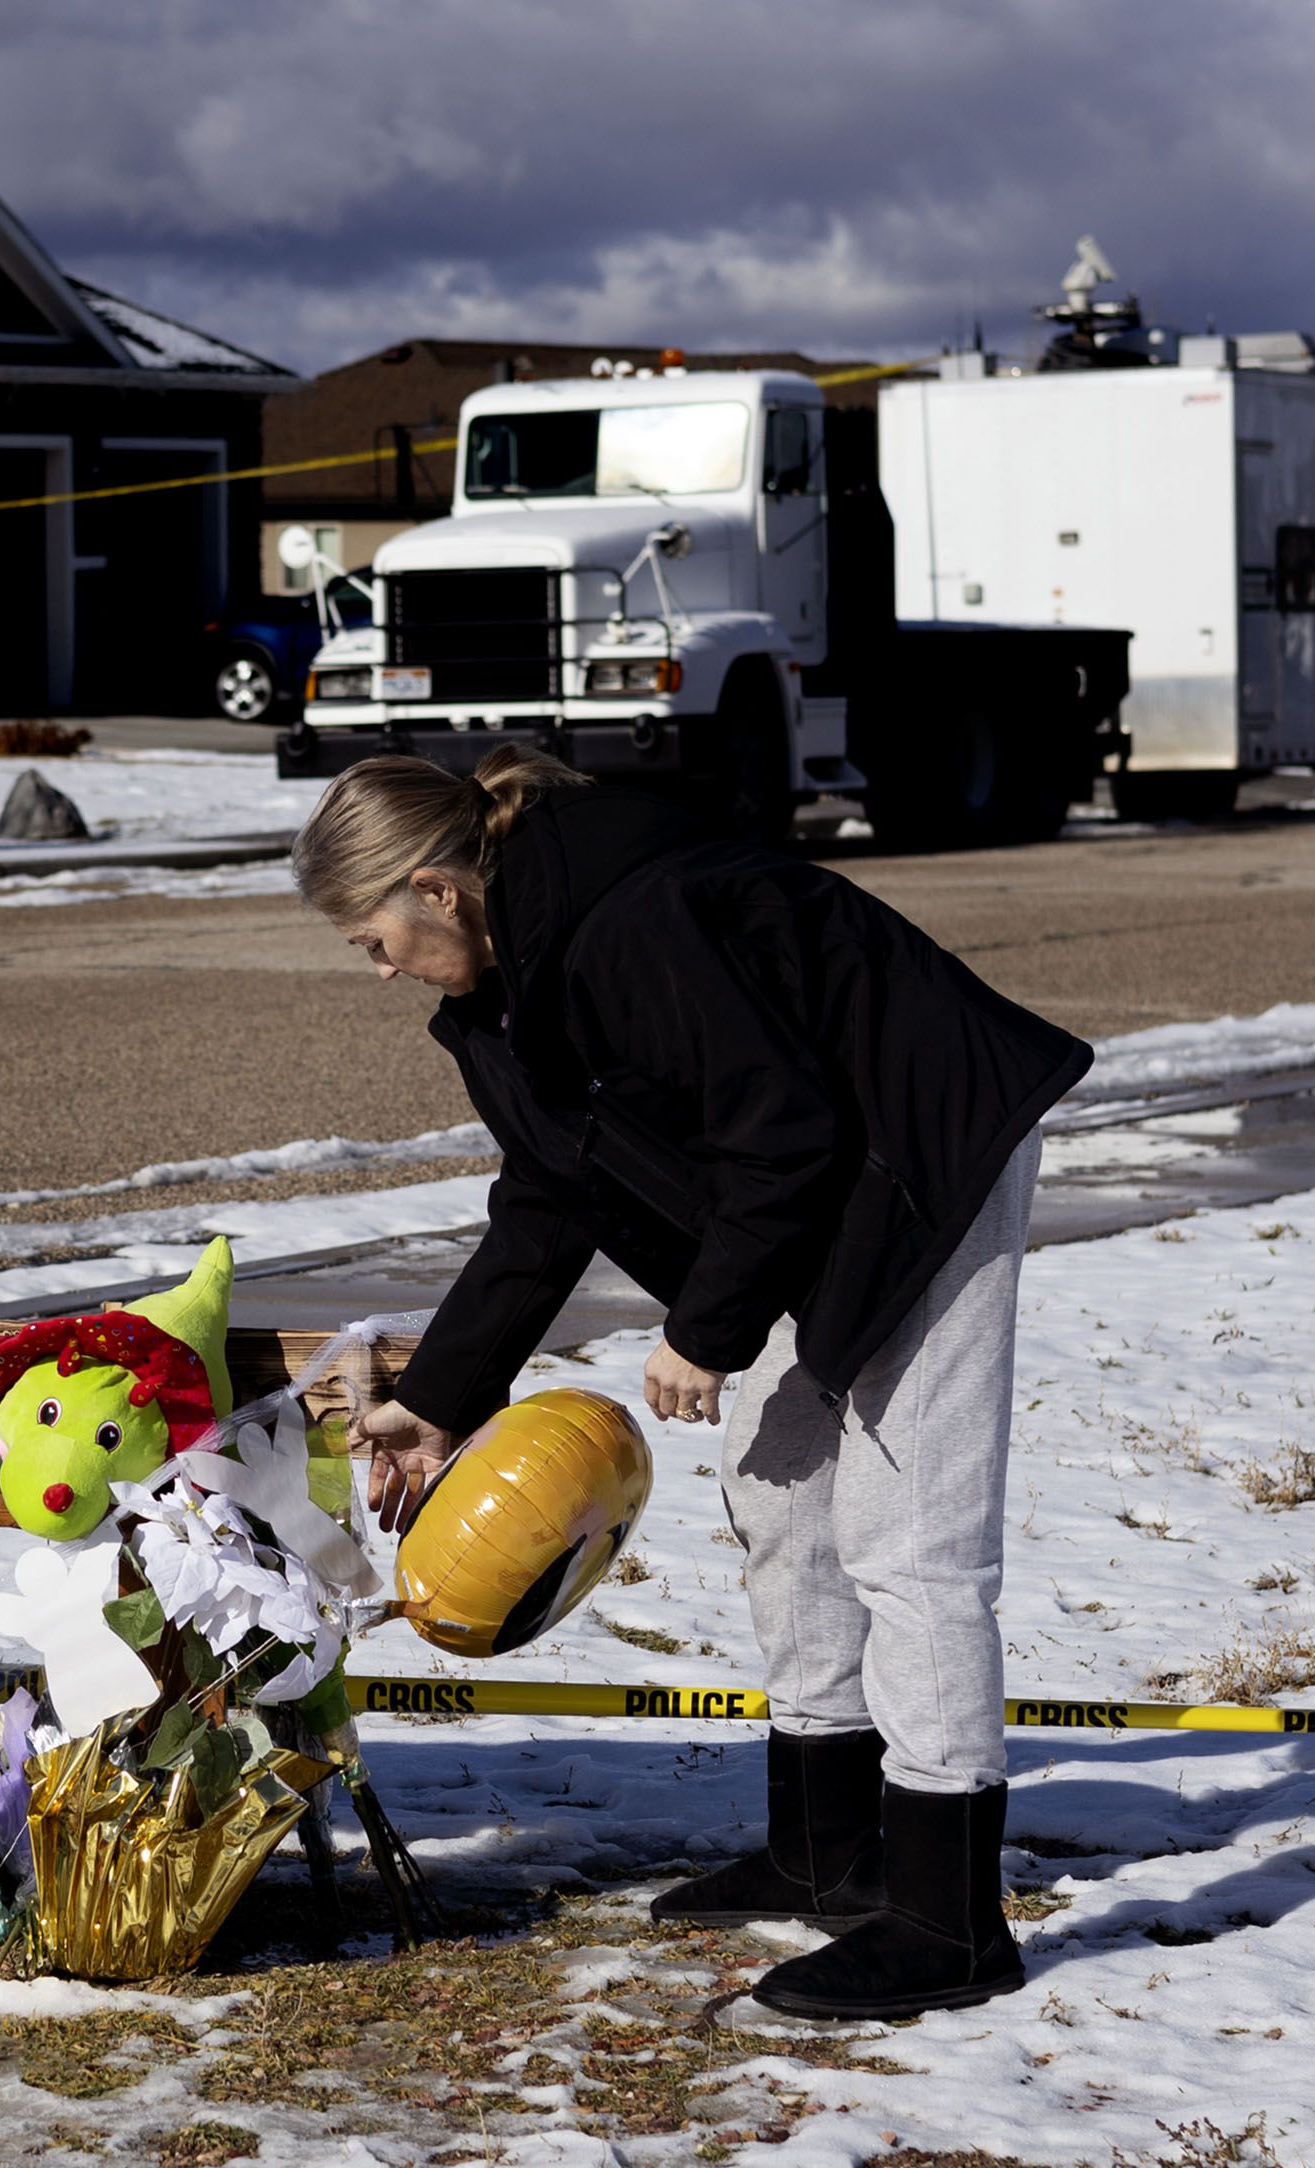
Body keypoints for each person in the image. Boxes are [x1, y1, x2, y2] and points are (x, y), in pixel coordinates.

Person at [291, 747, 1087, 2021]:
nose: (377, 971)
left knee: (909, 1537)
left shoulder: (630, 917)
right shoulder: (505, 992)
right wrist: (437, 1395)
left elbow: (788, 1126)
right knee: (780, 1495)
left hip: (919, 1149)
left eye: (372, 939)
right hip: (799, 1188)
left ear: (439, 890)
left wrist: (705, 1332)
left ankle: (950, 1918)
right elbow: (549, 1196)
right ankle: (826, 1846)